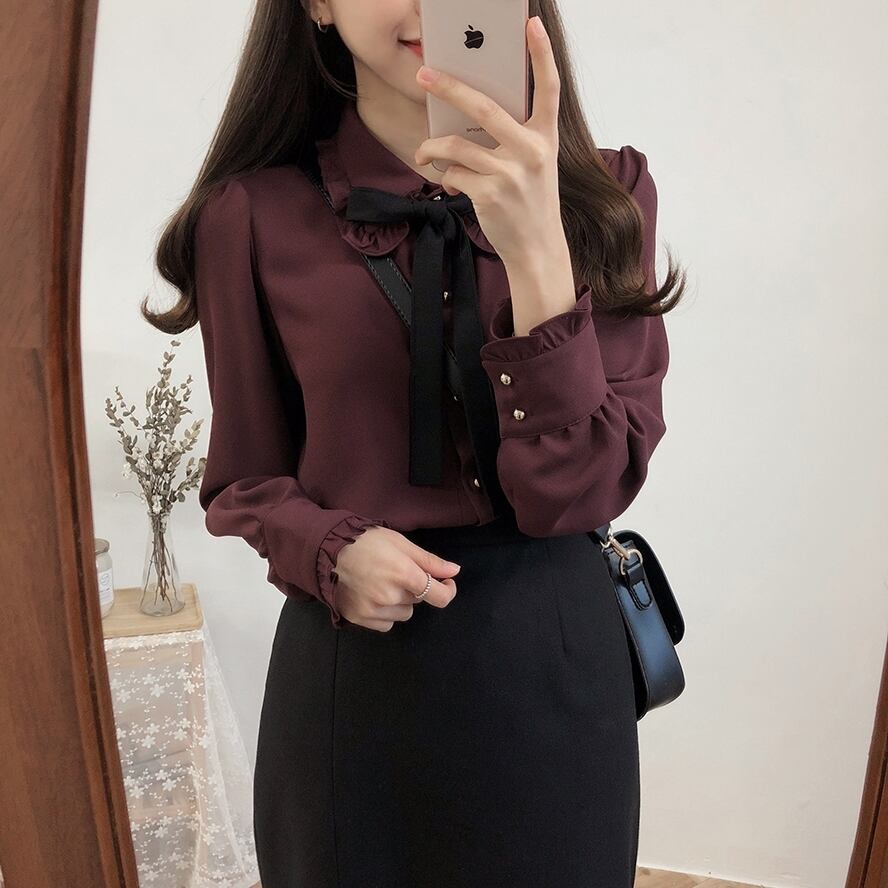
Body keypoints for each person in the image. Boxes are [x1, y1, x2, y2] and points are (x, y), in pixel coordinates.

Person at [148, 2, 687, 885]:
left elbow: (580, 488)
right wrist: (330, 549)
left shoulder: (608, 195)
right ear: (318, 4)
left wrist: (536, 247)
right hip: (355, 676)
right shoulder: (248, 216)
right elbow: (245, 480)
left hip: (555, 665)